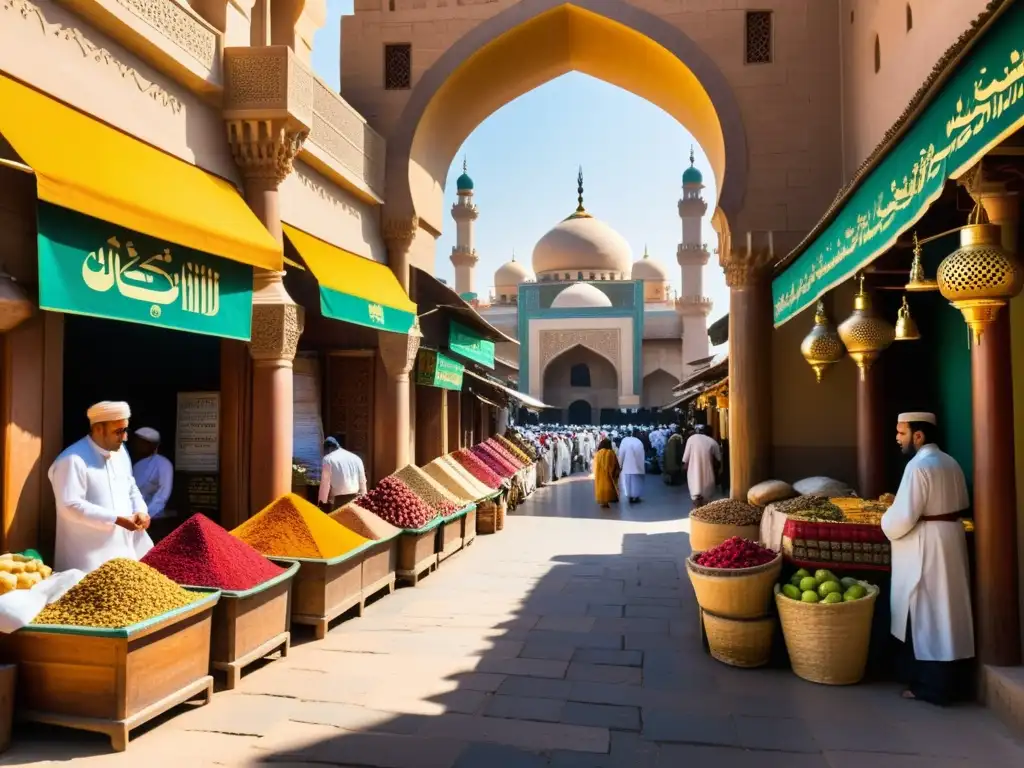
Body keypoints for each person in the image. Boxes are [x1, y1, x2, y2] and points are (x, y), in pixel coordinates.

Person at [882, 411, 974, 706]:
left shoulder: (918, 466)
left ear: (918, 435)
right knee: (949, 612)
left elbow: (903, 516)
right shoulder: (951, 462)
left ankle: (931, 687)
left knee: (927, 614)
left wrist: (885, 521)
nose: (897, 438)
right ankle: (953, 683)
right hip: (950, 539)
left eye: (901, 432)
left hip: (928, 544)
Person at [48, 401, 152, 573]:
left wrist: (141, 510)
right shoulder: (72, 459)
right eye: (118, 431)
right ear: (98, 429)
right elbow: (70, 506)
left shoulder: (120, 452)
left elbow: (131, 486)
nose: (125, 437)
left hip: (125, 552)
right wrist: (116, 519)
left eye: (125, 430)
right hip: (87, 558)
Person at [131, 427, 174, 518]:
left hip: (155, 516)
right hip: (135, 515)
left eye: (141, 442)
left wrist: (148, 514)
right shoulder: (137, 465)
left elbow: (162, 495)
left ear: (151, 445)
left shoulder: (162, 463)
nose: (137, 445)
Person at [318, 436, 367, 511]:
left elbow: (325, 484)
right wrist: (364, 502)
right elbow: (362, 482)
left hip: (337, 502)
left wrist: (321, 504)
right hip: (355, 500)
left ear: (328, 449)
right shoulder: (356, 458)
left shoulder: (327, 459)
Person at [683, 424, 722, 506]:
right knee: (707, 500)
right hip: (708, 475)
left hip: (693, 474)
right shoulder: (713, 442)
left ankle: (697, 510)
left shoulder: (691, 439)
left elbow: (685, 459)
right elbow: (718, 459)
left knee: (695, 496)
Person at [617, 429, 646, 503]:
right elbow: (641, 457)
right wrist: (641, 467)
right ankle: (636, 497)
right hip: (637, 468)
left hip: (627, 466)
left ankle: (629, 496)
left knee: (628, 483)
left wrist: (619, 464)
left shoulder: (625, 440)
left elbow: (621, 453)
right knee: (636, 483)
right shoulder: (639, 442)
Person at [592, 438, 620, 508]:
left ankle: (603, 501)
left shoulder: (598, 453)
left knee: (601, 488)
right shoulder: (611, 453)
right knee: (609, 487)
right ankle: (608, 500)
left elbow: (594, 465)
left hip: (599, 475)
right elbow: (615, 464)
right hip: (608, 475)